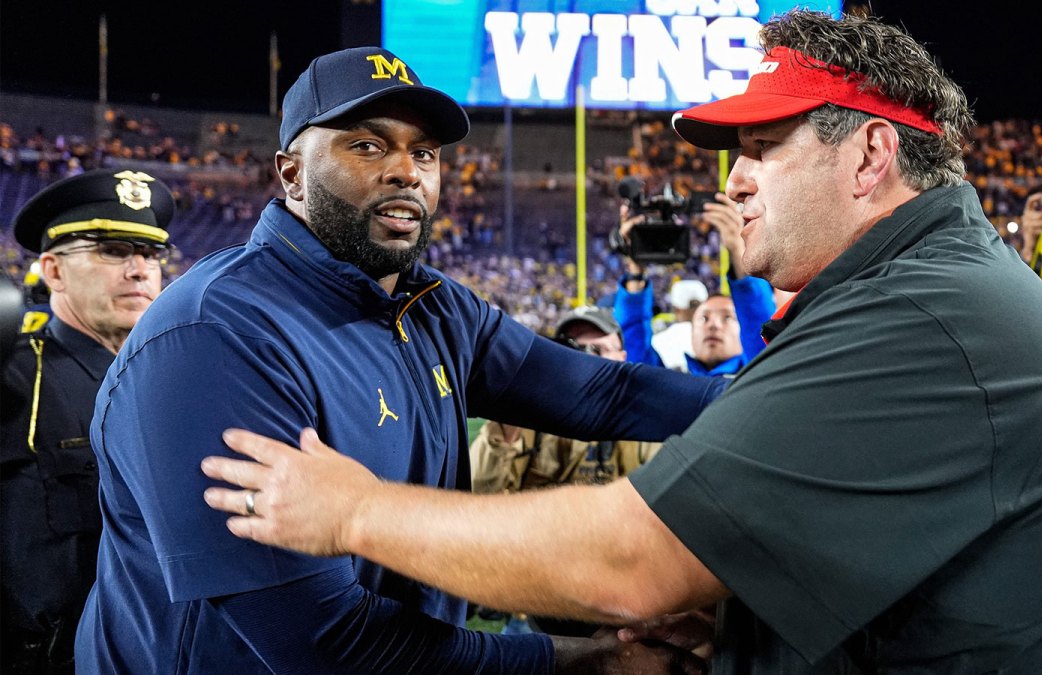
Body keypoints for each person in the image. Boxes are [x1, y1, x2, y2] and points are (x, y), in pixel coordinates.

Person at [201, 11, 1042, 672]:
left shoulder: (925, 312)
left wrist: (356, 512)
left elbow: (629, 561)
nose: (735, 179)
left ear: (871, 156)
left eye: (764, 147)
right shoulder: (917, 287)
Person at [74, 46, 724, 673]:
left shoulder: (435, 306)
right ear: (292, 172)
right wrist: (581, 662)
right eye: (367, 145)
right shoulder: (215, 336)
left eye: (425, 153)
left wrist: (781, 408)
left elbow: (603, 394)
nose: (406, 170)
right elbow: (321, 642)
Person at [1, 169, 174, 674]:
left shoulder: (175, 379)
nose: (140, 270)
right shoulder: (15, 376)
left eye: (150, 254)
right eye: (113, 251)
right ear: (53, 271)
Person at [470, 305, 660, 494]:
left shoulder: (642, 418)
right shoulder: (531, 415)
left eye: (599, 349)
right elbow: (480, 490)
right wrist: (507, 425)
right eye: (574, 350)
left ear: (622, 358)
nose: (587, 359)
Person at [616, 195, 775, 376]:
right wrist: (635, 270)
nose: (713, 325)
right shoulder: (672, 384)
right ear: (690, 334)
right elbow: (634, 352)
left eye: (728, 318)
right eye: (704, 319)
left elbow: (758, 321)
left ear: (744, 331)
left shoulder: (757, 378)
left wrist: (739, 251)